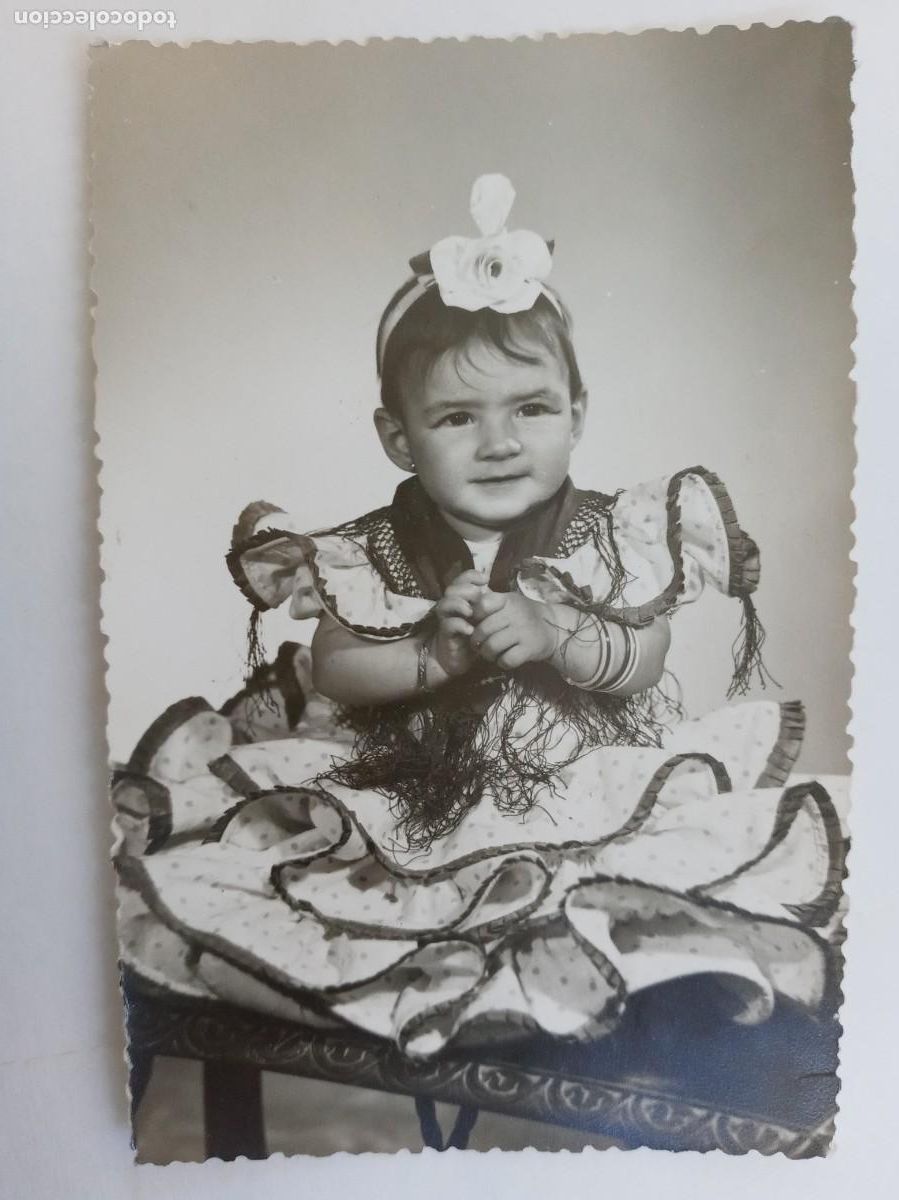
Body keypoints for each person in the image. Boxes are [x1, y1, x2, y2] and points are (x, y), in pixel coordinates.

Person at [115, 176, 845, 1057]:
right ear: (398, 437)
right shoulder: (375, 549)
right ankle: (435, 998)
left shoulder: (607, 534)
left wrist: (557, 637)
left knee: (595, 874)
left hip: (570, 765)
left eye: (530, 409)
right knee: (343, 876)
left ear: (575, 415)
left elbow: (643, 654)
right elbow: (340, 662)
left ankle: (587, 994)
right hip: (405, 771)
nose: (499, 443)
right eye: (457, 417)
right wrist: (431, 658)